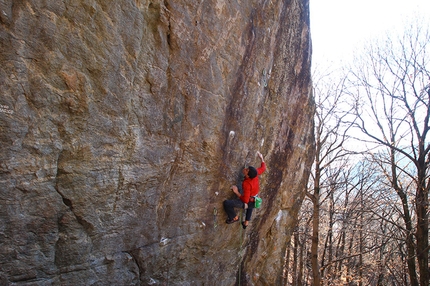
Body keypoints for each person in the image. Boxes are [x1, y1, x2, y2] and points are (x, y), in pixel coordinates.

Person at [223, 151, 266, 229]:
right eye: (247, 168)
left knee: (227, 203)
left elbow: (245, 200)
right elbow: (263, 168)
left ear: (248, 176)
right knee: (251, 206)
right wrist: (261, 159)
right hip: (255, 198)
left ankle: (234, 217)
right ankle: (246, 223)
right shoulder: (255, 174)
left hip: (248, 201)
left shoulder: (247, 184)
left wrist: (236, 192)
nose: (245, 169)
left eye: (247, 170)